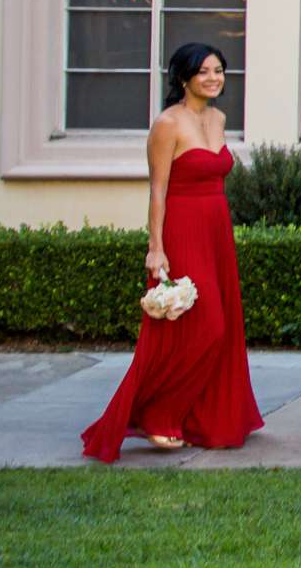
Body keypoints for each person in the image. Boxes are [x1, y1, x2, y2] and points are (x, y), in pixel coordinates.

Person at [81, 44, 264, 462]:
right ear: (183, 78)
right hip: (181, 230)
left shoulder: (217, 118)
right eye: (204, 72)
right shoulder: (167, 124)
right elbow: (158, 189)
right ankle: (157, 415)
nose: (214, 78)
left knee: (222, 327)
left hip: (216, 230)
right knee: (202, 326)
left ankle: (201, 418)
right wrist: (156, 248)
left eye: (219, 71)